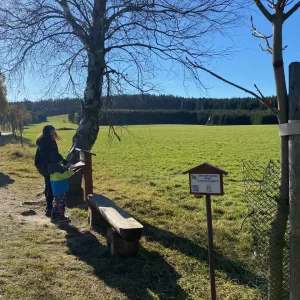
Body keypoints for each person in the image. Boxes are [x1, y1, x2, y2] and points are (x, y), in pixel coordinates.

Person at [35, 124, 69, 217]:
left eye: (54, 133)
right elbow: (53, 155)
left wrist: (61, 161)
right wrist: (64, 162)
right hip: (46, 168)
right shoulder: (44, 144)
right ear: (47, 134)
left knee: (49, 187)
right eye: (51, 133)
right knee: (50, 188)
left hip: (49, 167)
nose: (54, 135)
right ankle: (50, 209)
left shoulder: (50, 141)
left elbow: (55, 155)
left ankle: (50, 208)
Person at [48, 152, 73, 223]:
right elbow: (65, 175)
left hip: (56, 190)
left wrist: (65, 168)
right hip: (61, 189)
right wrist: (71, 170)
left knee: (56, 203)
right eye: (61, 161)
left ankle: (53, 216)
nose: (62, 162)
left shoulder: (52, 169)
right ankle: (61, 217)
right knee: (61, 203)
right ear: (58, 161)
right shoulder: (58, 170)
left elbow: (62, 172)